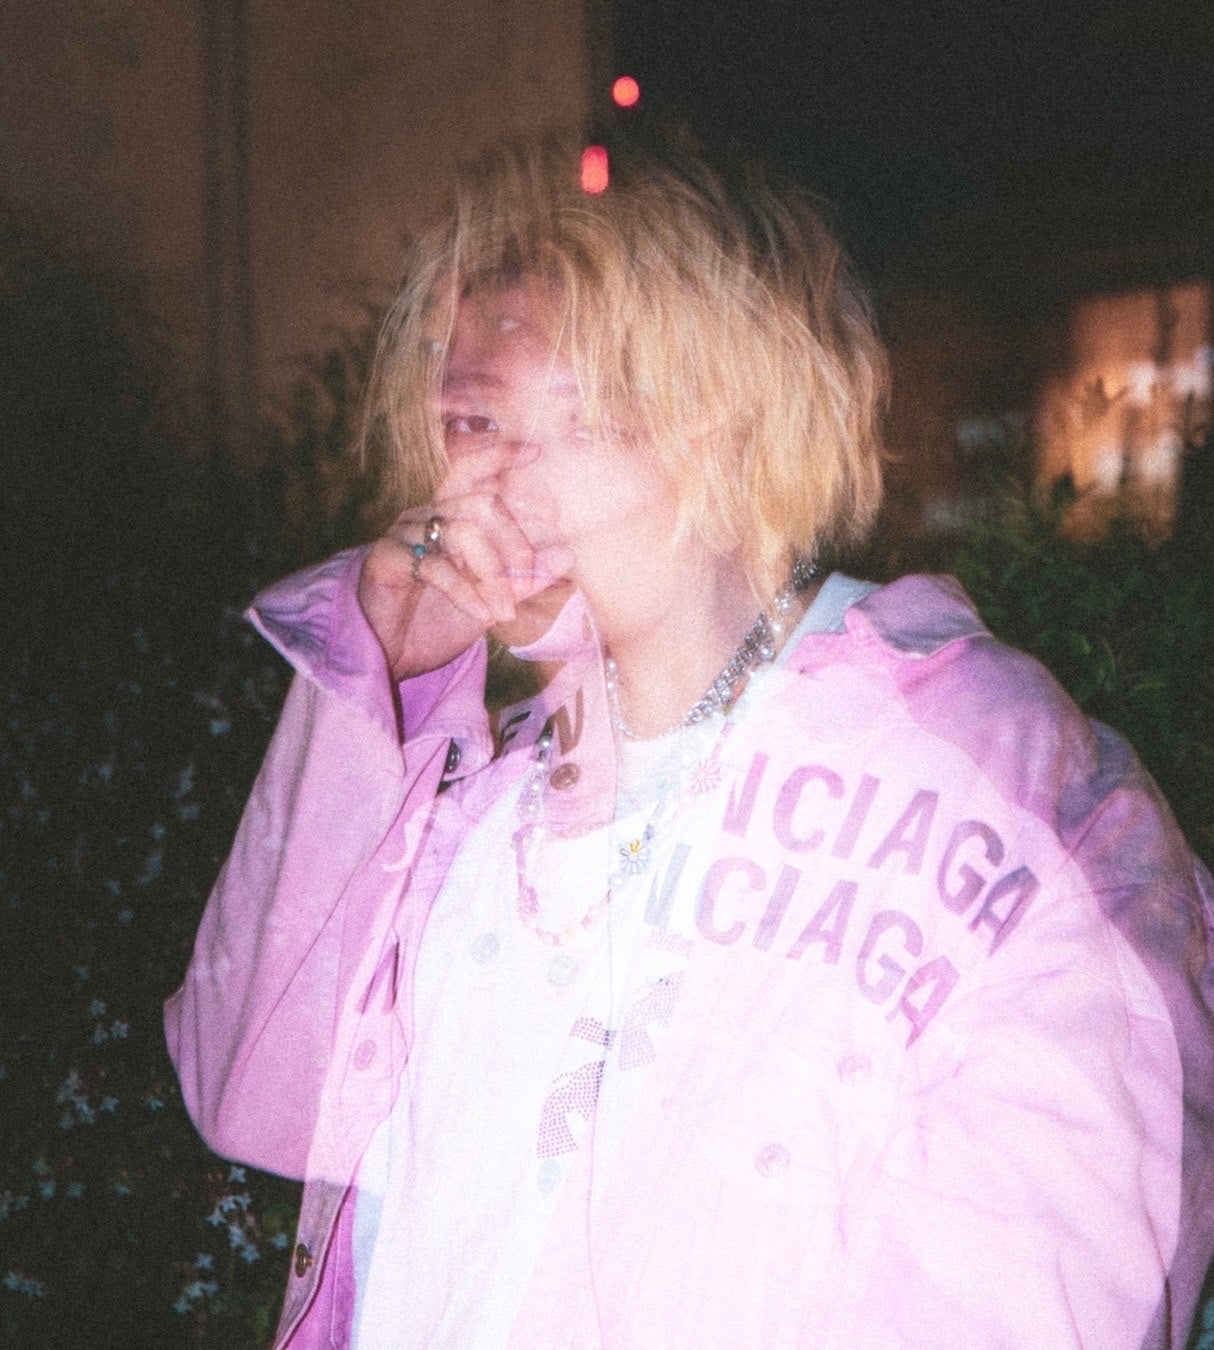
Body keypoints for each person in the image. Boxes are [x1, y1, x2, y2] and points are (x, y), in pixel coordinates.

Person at [165, 133, 1214, 1349]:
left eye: (516, 420)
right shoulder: (469, 799)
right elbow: (253, 1095)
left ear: (706, 412)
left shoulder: (989, 781)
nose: (471, 486)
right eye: (459, 425)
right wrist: (365, 677)